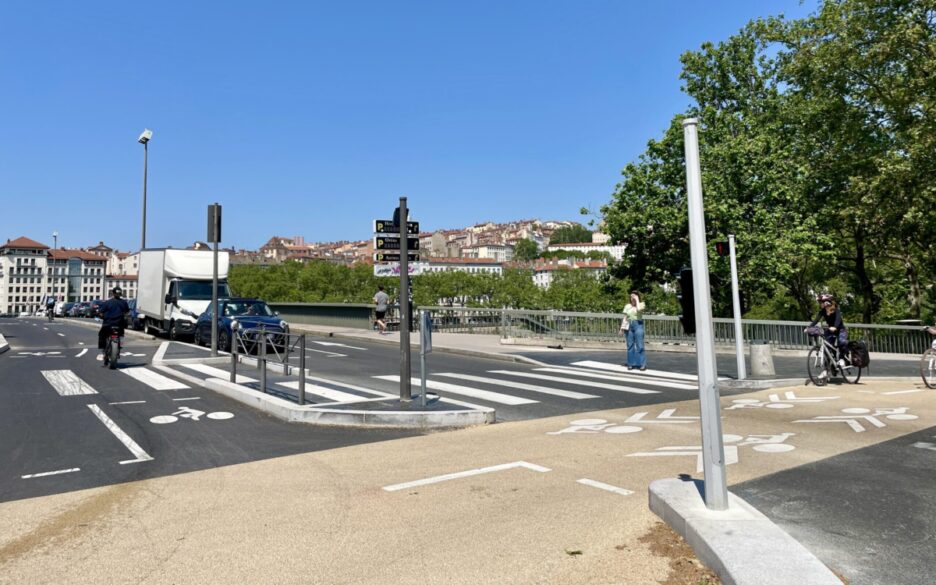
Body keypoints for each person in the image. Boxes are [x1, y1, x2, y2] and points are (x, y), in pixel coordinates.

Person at [806, 293, 848, 367]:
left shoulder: (836, 310)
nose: (820, 304)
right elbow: (816, 320)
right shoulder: (822, 311)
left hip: (840, 329)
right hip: (830, 330)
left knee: (841, 342)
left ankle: (842, 359)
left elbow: (838, 320)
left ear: (826, 302)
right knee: (827, 347)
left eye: (821, 302)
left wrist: (835, 327)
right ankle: (828, 368)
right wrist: (808, 328)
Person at [97, 287, 130, 365]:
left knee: (101, 335)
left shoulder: (107, 303)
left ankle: (104, 350)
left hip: (108, 324)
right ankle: (119, 347)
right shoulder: (124, 303)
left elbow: (100, 312)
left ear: (113, 293)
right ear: (120, 294)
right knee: (121, 336)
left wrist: (101, 316)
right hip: (119, 325)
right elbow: (127, 312)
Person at [620, 291, 646, 371]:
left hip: (638, 324)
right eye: (631, 297)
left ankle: (642, 364)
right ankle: (631, 363)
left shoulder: (641, 304)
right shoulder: (627, 306)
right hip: (629, 325)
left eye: (634, 297)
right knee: (630, 346)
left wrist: (637, 300)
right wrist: (622, 328)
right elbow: (625, 317)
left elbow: (639, 309)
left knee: (640, 345)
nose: (632, 299)